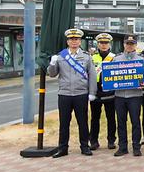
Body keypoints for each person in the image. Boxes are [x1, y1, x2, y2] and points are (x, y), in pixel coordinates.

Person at [47, 28, 97, 158]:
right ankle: (63, 148)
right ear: (67, 41)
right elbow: (52, 74)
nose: (74, 41)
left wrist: (92, 92)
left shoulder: (86, 57)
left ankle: (85, 146)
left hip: (81, 94)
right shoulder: (61, 56)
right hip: (64, 94)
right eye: (71, 39)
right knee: (64, 123)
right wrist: (52, 63)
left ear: (80, 41)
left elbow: (92, 75)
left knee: (83, 122)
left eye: (76, 39)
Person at [112, 35, 144, 157]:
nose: (129, 46)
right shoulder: (117, 59)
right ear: (124, 44)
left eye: (132, 43)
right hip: (120, 95)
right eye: (127, 43)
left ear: (135, 45)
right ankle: (123, 147)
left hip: (135, 95)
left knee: (135, 121)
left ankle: (136, 146)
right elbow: (109, 73)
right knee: (121, 122)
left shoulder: (142, 59)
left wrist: (143, 81)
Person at [90, 32, 117, 150]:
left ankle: (111, 140)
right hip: (95, 91)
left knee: (111, 118)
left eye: (106, 42)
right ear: (98, 44)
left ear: (109, 44)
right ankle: (94, 141)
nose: (104, 45)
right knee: (95, 118)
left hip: (110, 92)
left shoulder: (114, 58)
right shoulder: (91, 57)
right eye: (101, 42)